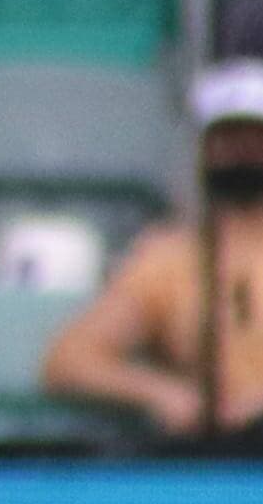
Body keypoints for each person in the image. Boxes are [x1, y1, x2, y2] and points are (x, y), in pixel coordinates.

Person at [40, 54, 263, 436]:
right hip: (214, 451)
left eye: (253, 138)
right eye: (226, 138)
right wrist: (164, 393)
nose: (239, 152)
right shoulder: (170, 259)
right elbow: (69, 358)